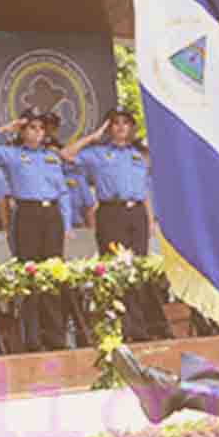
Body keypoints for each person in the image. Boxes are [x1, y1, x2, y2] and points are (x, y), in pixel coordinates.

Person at [63, 108, 169, 340]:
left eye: (125, 123)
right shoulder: (98, 153)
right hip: (111, 213)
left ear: (131, 128)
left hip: (137, 214)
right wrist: (94, 136)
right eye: (115, 123)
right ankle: (118, 329)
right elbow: (66, 155)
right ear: (108, 128)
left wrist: (150, 221)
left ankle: (139, 328)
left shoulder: (140, 155)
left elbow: (145, 190)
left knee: (138, 272)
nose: (121, 127)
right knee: (115, 271)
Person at [0, 112, 70, 351]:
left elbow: (62, 191)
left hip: (51, 215)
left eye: (40, 128)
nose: (36, 132)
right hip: (27, 215)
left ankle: (56, 337)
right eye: (31, 127)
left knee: (53, 277)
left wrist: (65, 224)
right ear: (22, 131)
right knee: (30, 276)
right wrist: (6, 129)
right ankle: (31, 339)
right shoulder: (12, 154)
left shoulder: (51, 158)